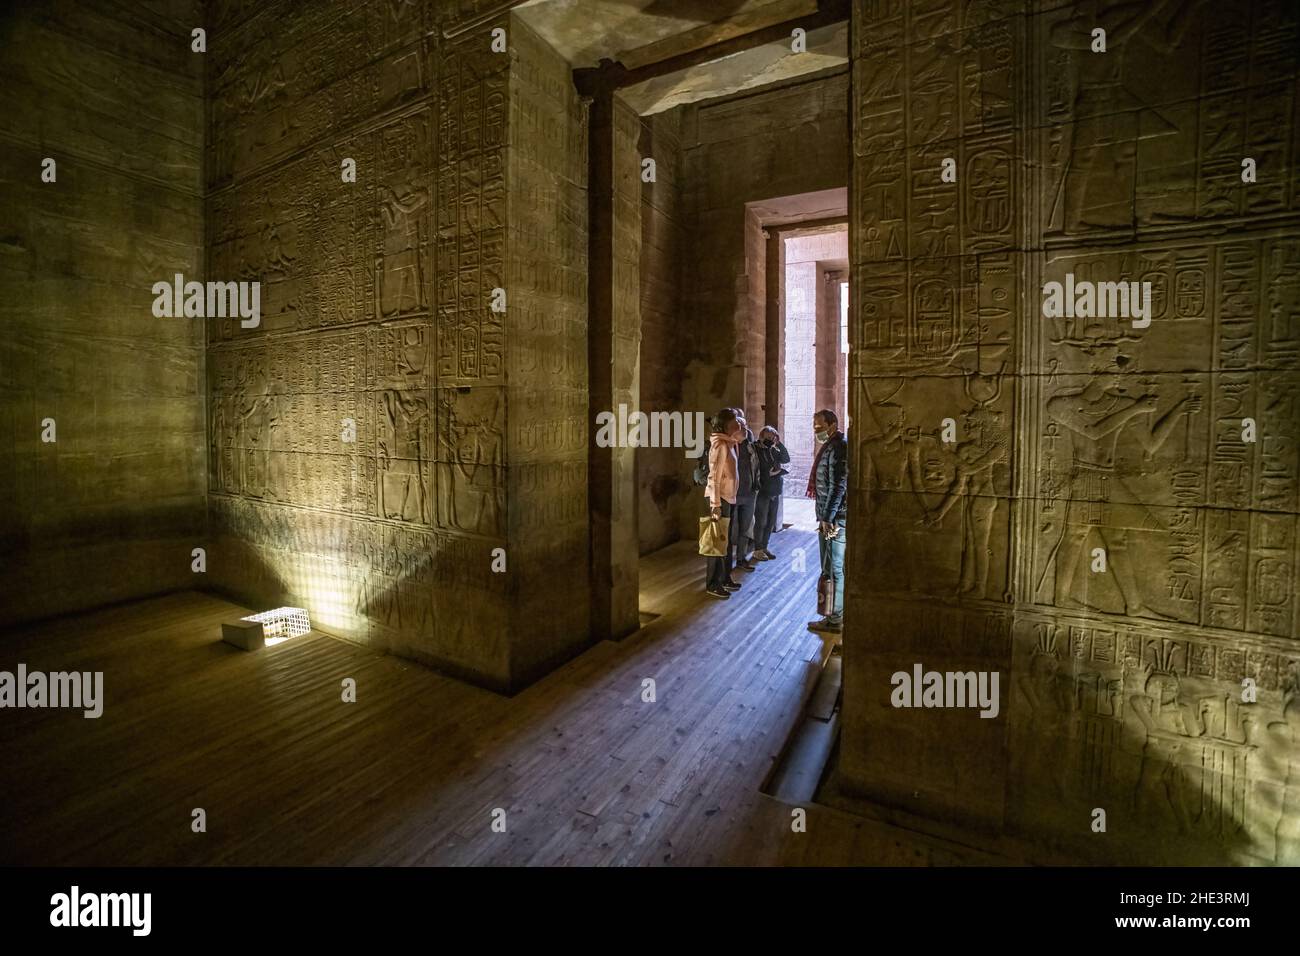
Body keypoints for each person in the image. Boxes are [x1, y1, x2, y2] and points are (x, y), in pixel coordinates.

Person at [807, 409, 847, 633]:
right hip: (831, 516)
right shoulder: (832, 446)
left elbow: (837, 485)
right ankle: (836, 615)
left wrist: (827, 517)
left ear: (832, 425)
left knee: (833, 569)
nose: (816, 430)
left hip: (834, 518)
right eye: (814, 426)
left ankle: (835, 618)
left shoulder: (837, 447)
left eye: (819, 426)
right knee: (831, 567)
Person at [704, 408, 744, 599]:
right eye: (735, 420)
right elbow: (714, 477)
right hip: (721, 500)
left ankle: (725, 577)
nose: (739, 423)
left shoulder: (729, 443)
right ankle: (713, 583)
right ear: (726, 424)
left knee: (725, 543)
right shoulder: (720, 445)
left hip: (729, 498)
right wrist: (715, 504)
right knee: (716, 543)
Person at [752, 426, 790, 561]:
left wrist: (779, 443)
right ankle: (757, 549)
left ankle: (764, 546)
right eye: (768, 437)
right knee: (761, 521)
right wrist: (770, 473)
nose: (770, 439)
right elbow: (759, 469)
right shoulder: (757, 450)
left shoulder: (774, 450)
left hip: (775, 489)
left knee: (770, 521)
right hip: (763, 490)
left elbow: (786, 459)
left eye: (773, 437)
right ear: (762, 436)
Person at [731, 409, 762, 573]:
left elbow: (755, 467)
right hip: (732, 494)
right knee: (729, 531)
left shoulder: (750, 445)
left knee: (745, 529)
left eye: (745, 425)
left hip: (749, 493)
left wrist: (756, 486)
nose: (745, 428)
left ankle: (741, 559)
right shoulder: (727, 445)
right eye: (741, 425)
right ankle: (726, 563)